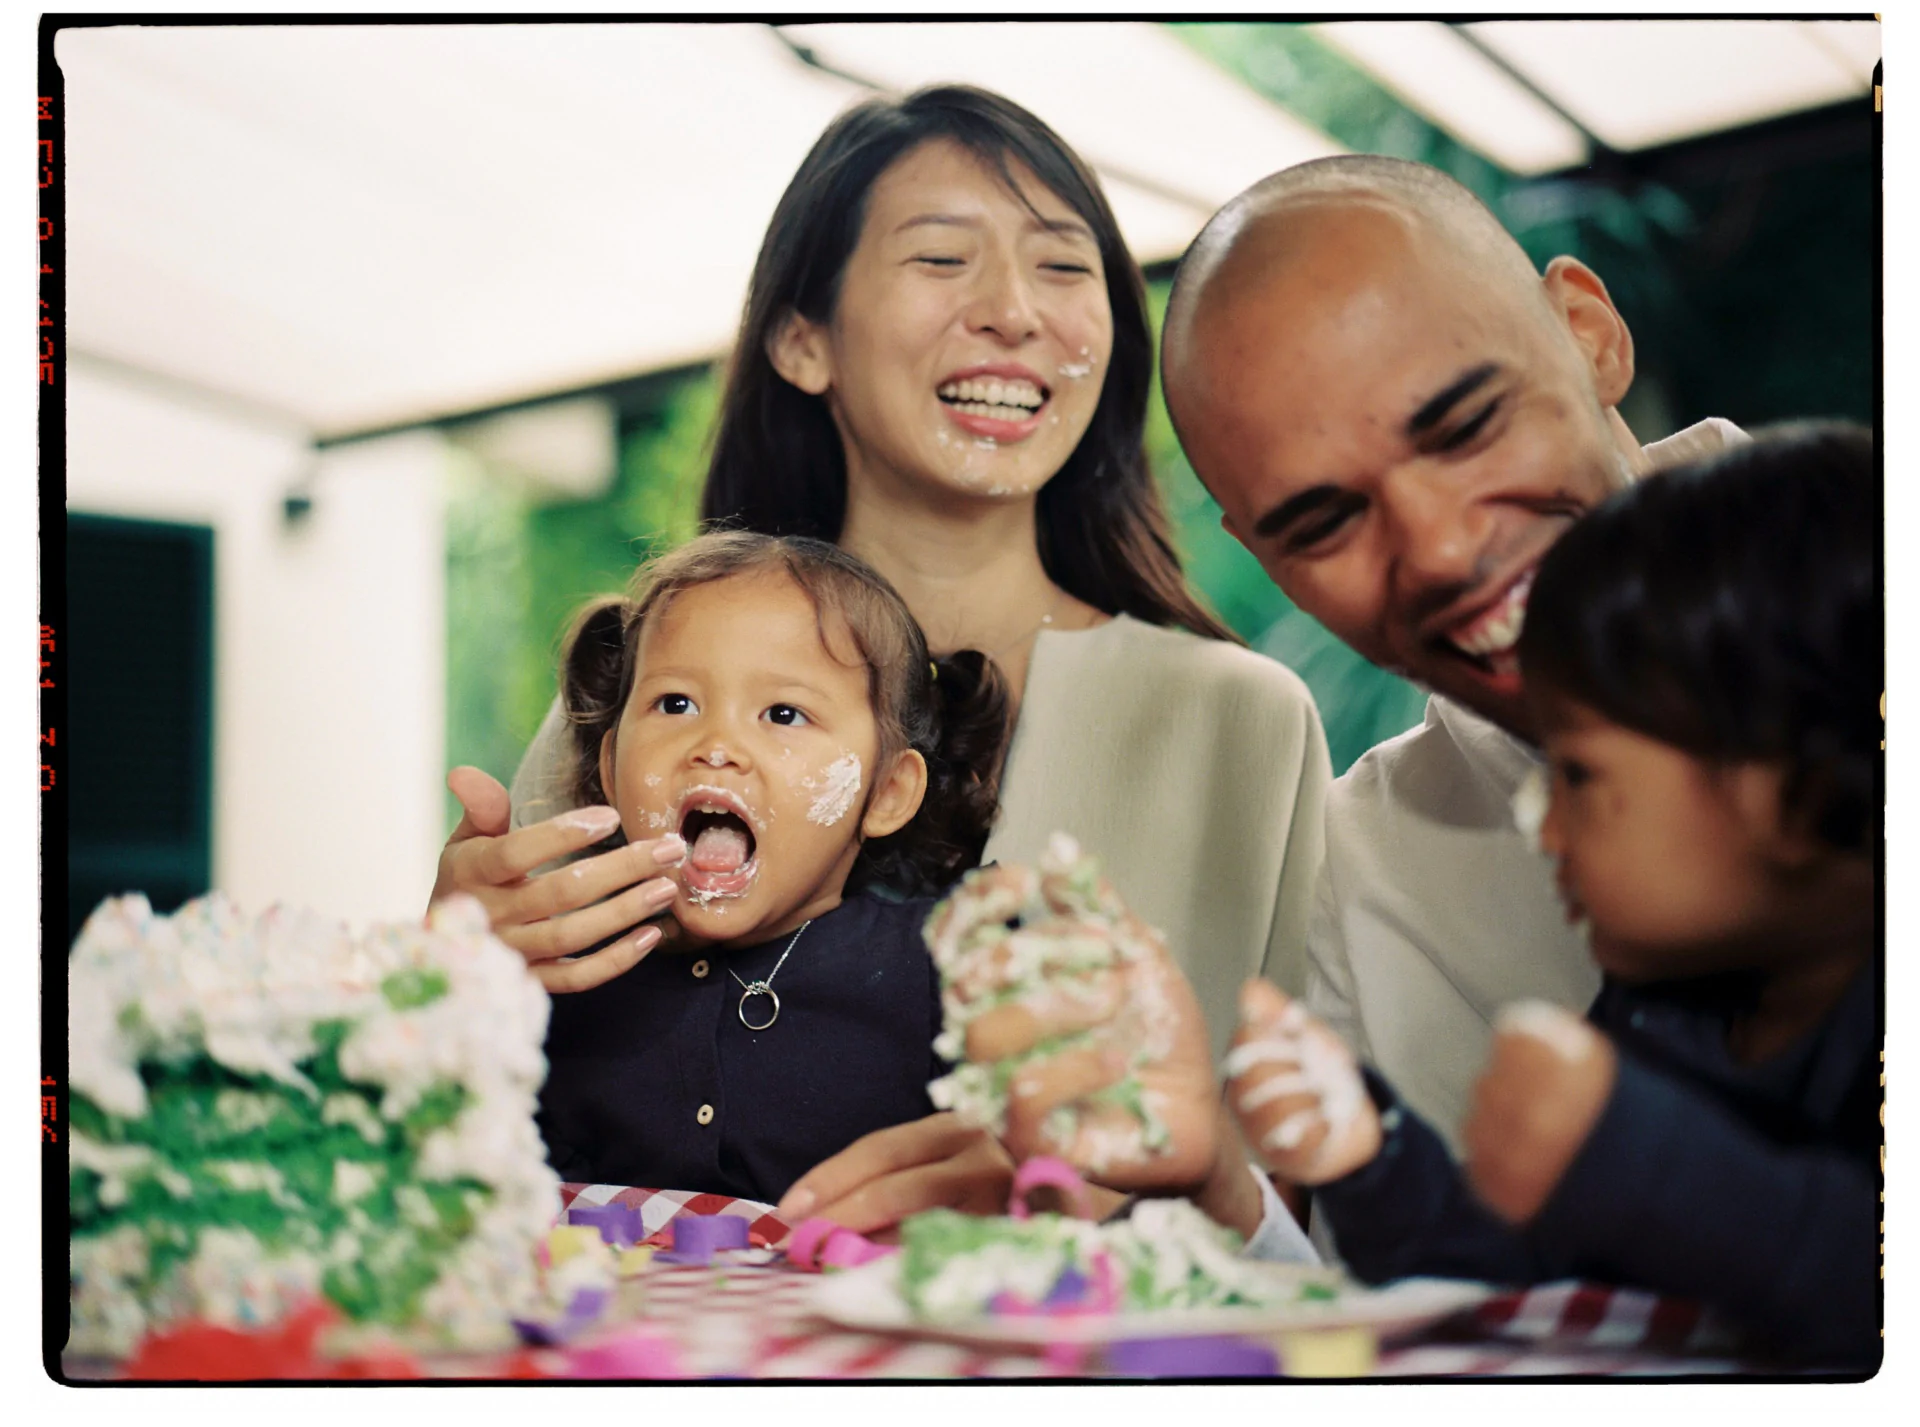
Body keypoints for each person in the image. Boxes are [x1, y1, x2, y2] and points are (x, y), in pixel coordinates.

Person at [431, 88, 1331, 1242]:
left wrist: (1129, 1178)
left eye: (1064, 269)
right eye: (944, 257)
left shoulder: (1240, 722)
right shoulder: (623, 697)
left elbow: (1315, 1212)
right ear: (803, 340)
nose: (1013, 311)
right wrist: (448, 963)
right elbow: (460, 1125)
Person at [1219, 425, 1878, 1367]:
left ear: (1787, 789)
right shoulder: (1663, 1015)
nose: (1544, 825)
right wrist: (1369, 1156)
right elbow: (1506, 1280)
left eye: (1578, 774)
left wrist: (1637, 1158)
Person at [1157, 153, 1752, 1150]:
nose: (1437, 548)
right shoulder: (1355, 886)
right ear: (1266, 559)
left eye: (1468, 425)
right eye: (1324, 521)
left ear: (1590, 337)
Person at [535, 531, 1011, 1203]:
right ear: (611, 766)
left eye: (783, 713)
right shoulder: (563, 966)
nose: (718, 746)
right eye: (676, 704)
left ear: (887, 792)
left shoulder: (947, 962)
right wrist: (461, 974)